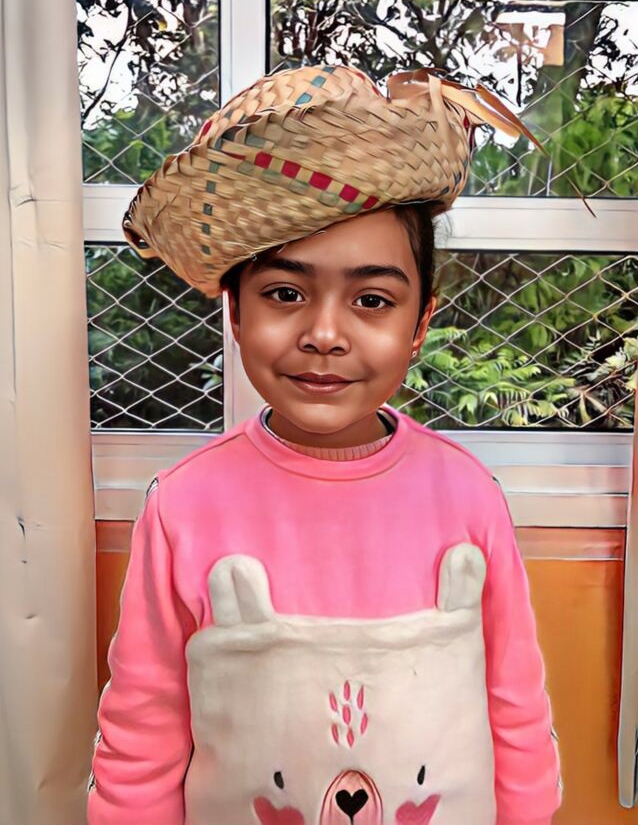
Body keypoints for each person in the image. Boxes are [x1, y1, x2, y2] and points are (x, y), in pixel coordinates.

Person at [87, 64, 562, 824]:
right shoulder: (184, 505)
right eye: (285, 293)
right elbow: (143, 732)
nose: (325, 334)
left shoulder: (468, 497)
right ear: (234, 310)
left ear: (420, 323)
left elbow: (517, 711)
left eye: (372, 300)